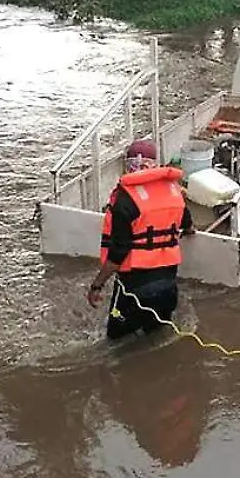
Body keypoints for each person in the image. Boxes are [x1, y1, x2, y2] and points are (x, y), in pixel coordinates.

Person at [87, 140, 195, 341]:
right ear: (154, 163)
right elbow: (188, 224)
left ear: (127, 166)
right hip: (167, 287)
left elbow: (118, 253)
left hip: (133, 291)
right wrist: (187, 231)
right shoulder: (174, 192)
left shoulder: (124, 200)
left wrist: (97, 285)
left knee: (115, 342)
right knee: (157, 334)